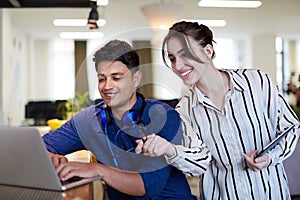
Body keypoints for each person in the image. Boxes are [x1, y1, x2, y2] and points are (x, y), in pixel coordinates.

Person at [135, 21, 300, 199]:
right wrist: (168, 149)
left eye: (185, 55)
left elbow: (290, 127)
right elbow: (198, 163)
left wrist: (270, 158)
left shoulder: (256, 82)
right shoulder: (184, 110)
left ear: (208, 51)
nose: (178, 66)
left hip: (271, 193)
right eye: (173, 58)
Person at [43, 39, 196, 200]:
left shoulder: (164, 117)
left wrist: (97, 170)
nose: (107, 86)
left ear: (136, 79)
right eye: (102, 79)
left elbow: (145, 186)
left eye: (116, 77)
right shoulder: (89, 120)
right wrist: (52, 158)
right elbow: (41, 147)